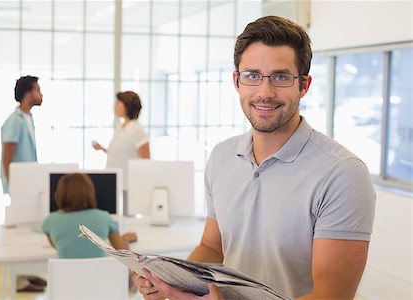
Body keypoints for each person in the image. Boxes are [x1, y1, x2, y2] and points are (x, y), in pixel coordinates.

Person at [133, 16, 376, 300]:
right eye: (252, 75)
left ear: (304, 85)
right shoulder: (222, 156)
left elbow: (331, 296)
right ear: (237, 81)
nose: (265, 92)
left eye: (281, 77)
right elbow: (213, 248)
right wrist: (171, 282)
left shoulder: (342, 174)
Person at [0, 75, 47, 293]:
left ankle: (28, 274)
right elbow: (7, 158)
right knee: (19, 232)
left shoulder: (28, 118)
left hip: (28, 183)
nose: (41, 94)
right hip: (19, 185)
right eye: (38, 90)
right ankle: (19, 280)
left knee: (30, 228)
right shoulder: (14, 121)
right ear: (28, 94)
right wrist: (14, 188)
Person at [42, 173, 137, 258]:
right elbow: (122, 251)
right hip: (100, 276)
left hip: (67, 276)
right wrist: (126, 238)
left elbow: (58, 246)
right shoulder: (104, 218)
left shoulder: (50, 221)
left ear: (59, 194)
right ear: (90, 192)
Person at [93, 91, 150, 213]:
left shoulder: (137, 129)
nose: (114, 106)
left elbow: (146, 160)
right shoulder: (121, 127)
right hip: (114, 180)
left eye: (118, 103)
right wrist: (103, 149)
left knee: (124, 216)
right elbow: (121, 153)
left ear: (127, 106)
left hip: (127, 186)